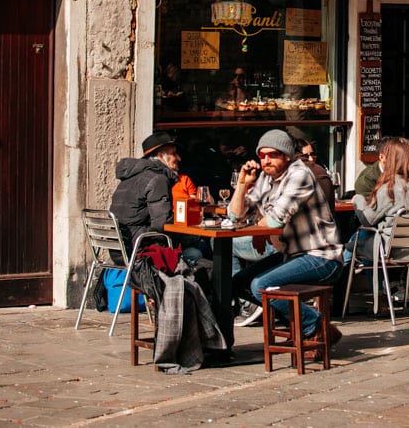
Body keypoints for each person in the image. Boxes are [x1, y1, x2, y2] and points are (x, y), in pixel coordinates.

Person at [228, 129, 344, 355]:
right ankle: (302, 326)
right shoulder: (265, 177)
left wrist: (257, 231)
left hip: (322, 256)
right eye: (262, 156)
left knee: (261, 285)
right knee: (239, 281)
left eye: (273, 155)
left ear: (287, 155)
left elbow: (275, 219)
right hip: (293, 255)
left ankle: (316, 328)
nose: (266, 160)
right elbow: (234, 216)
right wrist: (242, 184)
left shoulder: (299, 174)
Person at [351, 136, 409, 310]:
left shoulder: (390, 188)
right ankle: (408, 290)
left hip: (390, 250)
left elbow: (367, 219)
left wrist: (357, 200)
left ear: (388, 159)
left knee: (348, 247)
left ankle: (369, 300)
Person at [109, 131, 206, 264]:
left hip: (120, 250)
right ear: (161, 155)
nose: (179, 158)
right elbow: (162, 225)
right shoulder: (158, 179)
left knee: (195, 243)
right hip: (140, 250)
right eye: (174, 153)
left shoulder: (131, 177)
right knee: (199, 248)